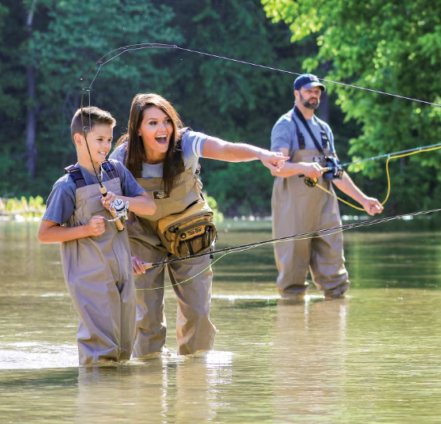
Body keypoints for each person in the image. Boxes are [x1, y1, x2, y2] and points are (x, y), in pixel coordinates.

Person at [110, 93, 288, 358]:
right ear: (137, 128)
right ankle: (148, 383)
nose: (163, 129)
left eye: (167, 121)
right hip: (140, 238)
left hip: (189, 233)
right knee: (145, 321)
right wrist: (126, 253)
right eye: (153, 123)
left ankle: (195, 381)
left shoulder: (187, 142)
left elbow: (227, 149)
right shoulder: (121, 158)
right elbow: (109, 208)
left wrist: (261, 155)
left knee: (199, 315)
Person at [38, 106, 156, 366]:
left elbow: (148, 206)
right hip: (89, 278)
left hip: (123, 272)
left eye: (109, 140)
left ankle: (117, 404)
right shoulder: (66, 186)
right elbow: (45, 234)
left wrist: (122, 201)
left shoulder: (117, 171)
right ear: (79, 139)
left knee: (124, 349)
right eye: (99, 139)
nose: (106, 146)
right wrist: (86, 230)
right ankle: (96, 403)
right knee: (101, 353)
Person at [270, 74, 384, 299]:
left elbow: (337, 172)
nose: (314, 95)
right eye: (310, 90)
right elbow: (276, 168)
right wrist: (304, 167)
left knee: (335, 274)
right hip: (292, 208)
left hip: (325, 209)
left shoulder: (324, 129)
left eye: (318, 91)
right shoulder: (285, 125)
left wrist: (364, 200)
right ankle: (292, 327)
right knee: (292, 275)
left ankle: (333, 328)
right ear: (297, 93)